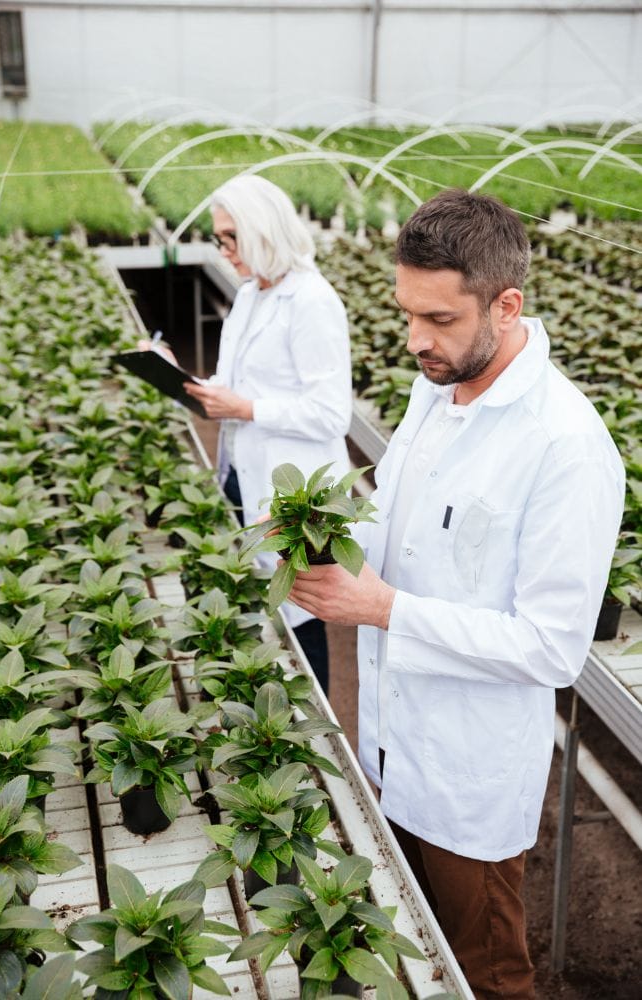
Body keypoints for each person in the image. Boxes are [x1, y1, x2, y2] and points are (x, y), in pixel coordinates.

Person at [286, 188, 625, 999]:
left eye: (438, 320)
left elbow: (550, 647)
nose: (414, 340)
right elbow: (393, 525)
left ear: (506, 306)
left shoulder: (564, 447)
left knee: (487, 966)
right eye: (407, 313)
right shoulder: (433, 392)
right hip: (391, 740)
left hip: (466, 776)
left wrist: (381, 608)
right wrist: (318, 529)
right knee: (413, 940)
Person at [181, 174, 352, 695]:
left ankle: (316, 725)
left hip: (290, 492)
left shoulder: (312, 302)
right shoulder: (252, 293)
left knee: (300, 616)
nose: (222, 249)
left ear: (261, 231)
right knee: (260, 608)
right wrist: (190, 382)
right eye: (219, 239)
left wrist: (246, 408)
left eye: (229, 237)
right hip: (242, 470)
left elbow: (332, 413)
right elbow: (239, 384)